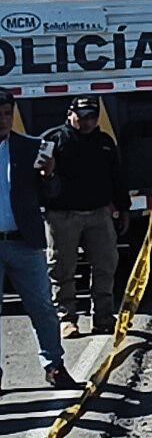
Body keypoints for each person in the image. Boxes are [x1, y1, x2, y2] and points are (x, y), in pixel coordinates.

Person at [0, 90, 79, 391]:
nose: (3, 120)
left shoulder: (29, 148)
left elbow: (53, 194)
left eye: (7, 113)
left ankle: (54, 367)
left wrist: (48, 175)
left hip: (25, 243)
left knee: (43, 308)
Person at [38, 97, 128, 337]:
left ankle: (103, 317)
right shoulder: (53, 139)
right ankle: (66, 318)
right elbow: (38, 176)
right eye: (83, 116)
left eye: (92, 117)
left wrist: (123, 208)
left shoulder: (104, 142)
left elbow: (116, 177)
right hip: (62, 215)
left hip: (98, 213)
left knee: (105, 266)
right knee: (61, 268)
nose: (87, 122)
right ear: (70, 114)